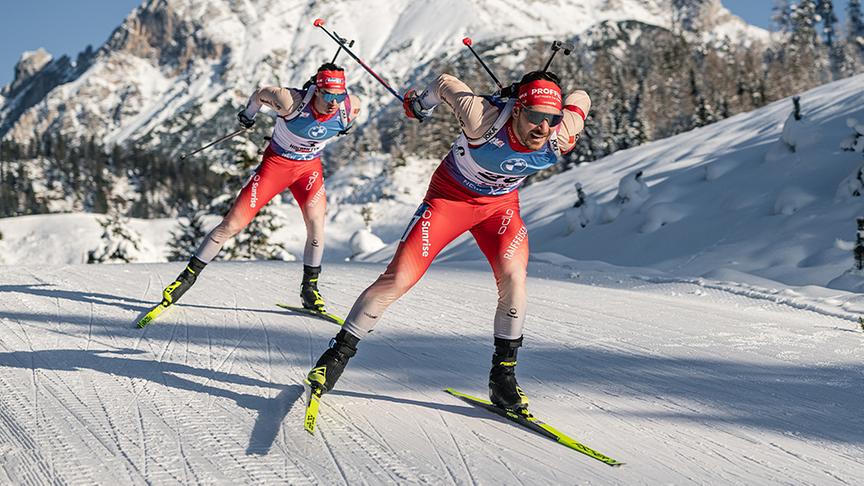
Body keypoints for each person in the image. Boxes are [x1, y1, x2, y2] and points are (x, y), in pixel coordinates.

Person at [306, 70, 590, 410]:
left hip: (499, 209)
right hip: (449, 201)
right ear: (516, 110)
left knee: (514, 281)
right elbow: (444, 83)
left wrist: (553, 101)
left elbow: (581, 98)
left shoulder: (561, 133)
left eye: (551, 119)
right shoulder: (481, 117)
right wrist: (418, 104)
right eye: (535, 117)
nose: (543, 128)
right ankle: (334, 359)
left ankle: (503, 379)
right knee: (399, 279)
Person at [156, 62, 361, 314]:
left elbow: (351, 113)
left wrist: (345, 125)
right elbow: (260, 94)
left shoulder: (348, 108)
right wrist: (248, 114)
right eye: (329, 95)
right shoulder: (290, 101)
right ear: (317, 90)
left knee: (317, 225)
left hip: (309, 170)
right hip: (276, 166)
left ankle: (310, 289)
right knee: (232, 225)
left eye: (339, 95)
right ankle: (185, 279)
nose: (334, 102)